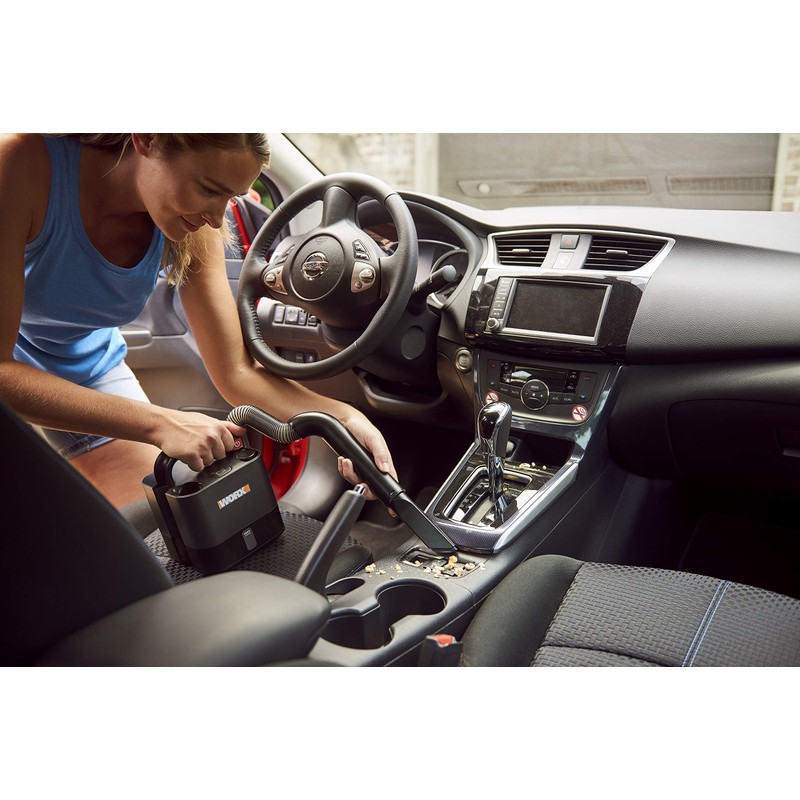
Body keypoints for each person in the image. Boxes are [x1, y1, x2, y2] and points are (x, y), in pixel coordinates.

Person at [0, 133, 396, 510]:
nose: (217, 218)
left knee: (157, 533)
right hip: (15, 371)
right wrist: (161, 423)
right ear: (147, 139)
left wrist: (343, 420)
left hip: (86, 368)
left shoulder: (195, 222)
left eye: (230, 198)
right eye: (208, 189)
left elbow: (237, 373)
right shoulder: (19, 165)